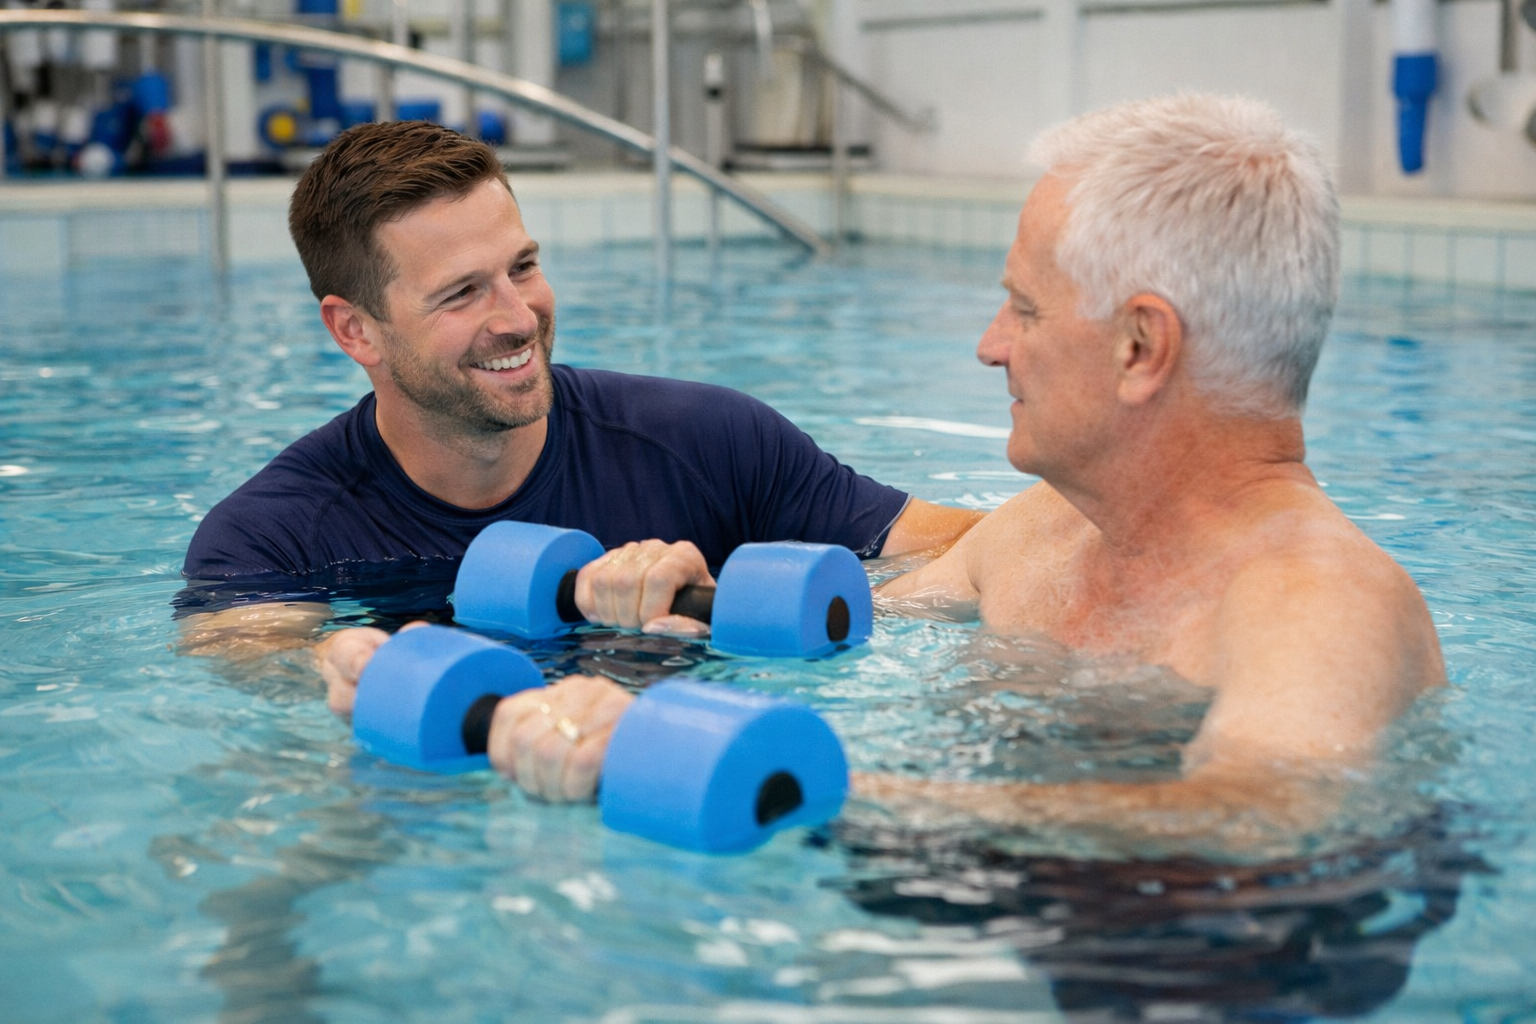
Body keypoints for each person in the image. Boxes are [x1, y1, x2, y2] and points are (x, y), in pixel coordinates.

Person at [465, 94, 1446, 835]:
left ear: (1141, 347)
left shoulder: (1317, 605)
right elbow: (842, 625)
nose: (990, 344)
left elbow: (1247, 821)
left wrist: (767, 781)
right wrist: (674, 606)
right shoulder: (1042, 531)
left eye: (1023, 308)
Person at [178, 120, 980, 697]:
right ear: (355, 329)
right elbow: (258, 681)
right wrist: (348, 668)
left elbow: (991, 551)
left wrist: (737, 605)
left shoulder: (710, 444)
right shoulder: (272, 542)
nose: (519, 317)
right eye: (462, 293)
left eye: (521, 267)